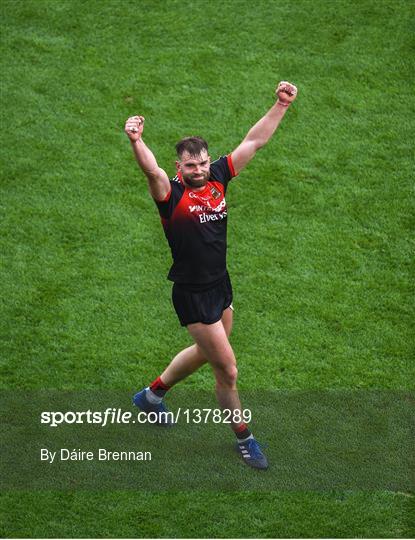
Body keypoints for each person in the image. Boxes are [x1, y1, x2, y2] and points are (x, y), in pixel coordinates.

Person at [124, 81, 297, 469]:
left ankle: (150, 397)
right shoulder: (169, 195)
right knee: (228, 369)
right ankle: (244, 438)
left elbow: (254, 142)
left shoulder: (219, 176)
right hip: (192, 294)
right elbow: (150, 170)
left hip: (221, 285)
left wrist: (280, 105)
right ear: (178, 168)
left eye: (202, 163)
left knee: (207, 355)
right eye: (191, 166)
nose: (199, 170)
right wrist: (136, 140)